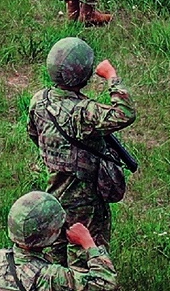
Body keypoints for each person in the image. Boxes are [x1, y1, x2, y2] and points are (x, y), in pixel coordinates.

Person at [28, 37, 136, 248]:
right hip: (86, 198)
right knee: (88, 250)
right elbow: (125, 113)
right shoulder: (84, 112)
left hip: (55, 190)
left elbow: (34, 134)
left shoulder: (39, 100)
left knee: (56, 247)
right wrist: (111, 77)